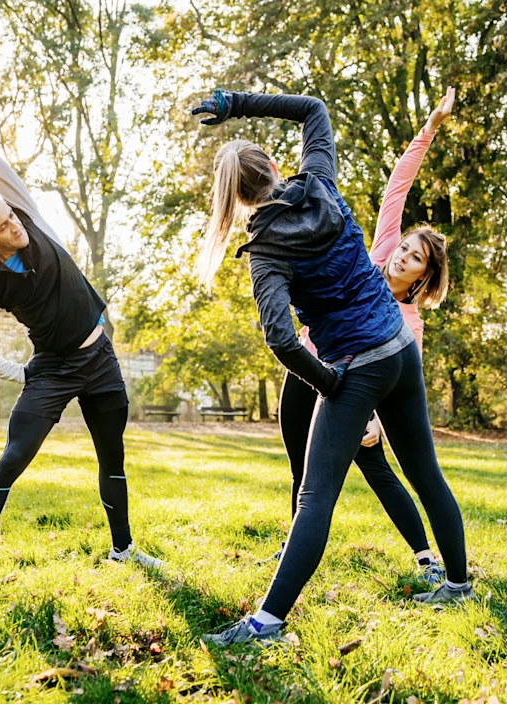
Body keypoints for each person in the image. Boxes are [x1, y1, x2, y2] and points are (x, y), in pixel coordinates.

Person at [189, 88, 473, 647]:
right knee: (426, 474)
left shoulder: (266, 252)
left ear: (237, 202)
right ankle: (458, 583)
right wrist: (234, 104)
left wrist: (329, 383)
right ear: (274, 166)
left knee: (315, 497)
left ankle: (265, 623)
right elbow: (315, 109)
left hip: (356, 365)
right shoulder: (319, 179)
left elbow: (280, 338)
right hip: (399, 348)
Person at [0, 146, 162, 589]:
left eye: (10, 215)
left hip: (101, 361)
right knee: (13, 459)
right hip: (51, 371)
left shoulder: (27, 215)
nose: (13, 226)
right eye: (1, 227)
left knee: (113, 457)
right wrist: (19, 373)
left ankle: (123, 549)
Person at [271, 88, 457, 590]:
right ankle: (294, 548)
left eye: (416, 257)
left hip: (353, 387)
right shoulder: (375, 255)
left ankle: (425, 556)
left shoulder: (408, 322)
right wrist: (431, 128)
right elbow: (398, 185)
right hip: (306, 369)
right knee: (301, 468)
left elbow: (397, 380)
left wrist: (373, 418)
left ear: (424, 276)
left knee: (378, 470)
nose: (403, 256)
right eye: (406, 247)